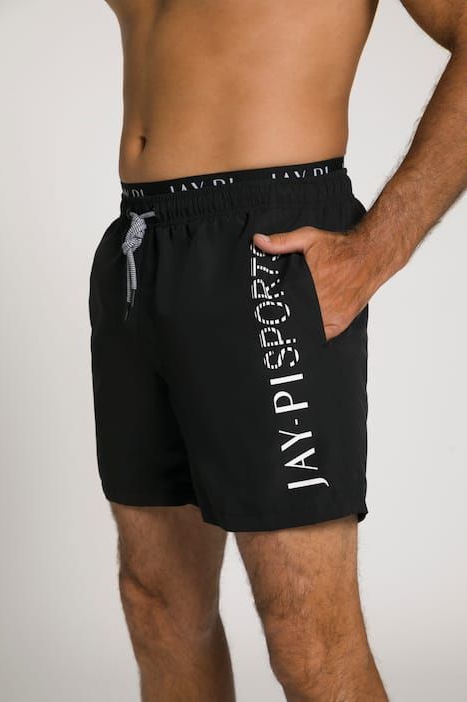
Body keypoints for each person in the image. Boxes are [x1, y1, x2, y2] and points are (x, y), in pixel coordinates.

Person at [88, 1, 466, 700]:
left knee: (307, 640)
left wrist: (378, 247)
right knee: (158, 606)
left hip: (267, 239)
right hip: (140, 244)